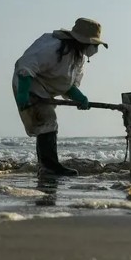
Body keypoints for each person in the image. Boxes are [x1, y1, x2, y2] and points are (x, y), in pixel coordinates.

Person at [12, 17, 108, 176]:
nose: (95, 48)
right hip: (28, 83)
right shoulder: (53, 47)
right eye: (94, 45)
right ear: (82, 41)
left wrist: (80, 98)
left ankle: (46, 166)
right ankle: (50, 167)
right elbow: (26, 65)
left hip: (46, 89)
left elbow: (66, 85)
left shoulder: (78, 58)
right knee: (48, 120)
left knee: (46, 124)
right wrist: (23, 93)